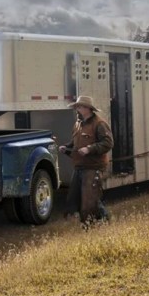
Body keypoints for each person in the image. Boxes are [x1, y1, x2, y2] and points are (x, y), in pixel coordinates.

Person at [59, 95, 113, 227]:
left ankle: (94, 224)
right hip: (79, 167)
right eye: (77, 106)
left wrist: (89, 149)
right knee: (79, 198)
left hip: (93, 167)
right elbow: (75, 143)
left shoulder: (99, 124)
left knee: (88, 201)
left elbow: (108, 143)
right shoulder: (78, 124)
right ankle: (103, 221)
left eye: (80, 106)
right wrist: (66, 148)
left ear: (88, 108)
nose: (78, 108)